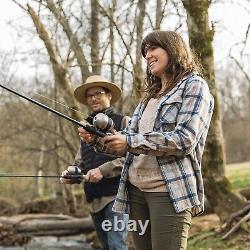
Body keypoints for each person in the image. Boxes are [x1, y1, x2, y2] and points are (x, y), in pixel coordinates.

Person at [78, 31, 214, 250]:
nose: (147, 55)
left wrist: (130, 142)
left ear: (173, 49)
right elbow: (126, 145)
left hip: (169, 191)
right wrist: (95, 140)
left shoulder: (194, 86)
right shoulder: (149, 97)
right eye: (145, 51)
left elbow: (184, 139)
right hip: (135, 191)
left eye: (153, 48)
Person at [60, 75, 129, 250]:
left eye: (97, 93)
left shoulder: (124, 122)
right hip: (93, 199)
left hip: (117, 196)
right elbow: (80, 161)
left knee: (116, 245)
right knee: (105, 246)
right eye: (89, 96)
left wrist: (103, 170)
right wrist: (71, 174)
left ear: (109, 95)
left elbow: (134, 157)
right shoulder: (84, 128)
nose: (93, 98)